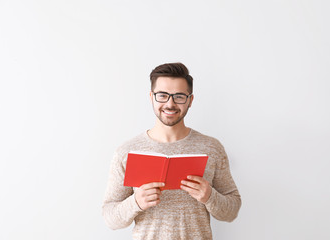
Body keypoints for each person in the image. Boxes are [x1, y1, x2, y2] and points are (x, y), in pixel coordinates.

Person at [102, 62, 241, 239]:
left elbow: (232, 209)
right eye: (162, 95)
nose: (170, 103)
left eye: (179, 96)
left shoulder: (212, 148)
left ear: (190, 100)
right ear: (151, 97)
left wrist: (209, 196)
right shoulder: (127, 151)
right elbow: (109, 217)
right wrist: (135, 202)